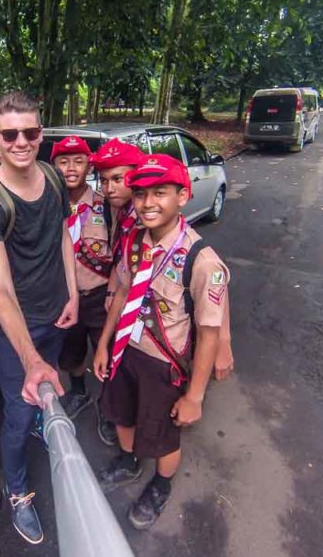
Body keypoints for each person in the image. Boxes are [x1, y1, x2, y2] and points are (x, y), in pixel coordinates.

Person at [93, 154, 231, 530]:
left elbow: (209, 333)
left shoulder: (202, 261)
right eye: (140, 194)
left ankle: (161, 484)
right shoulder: (134, 240)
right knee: (121, 413)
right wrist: (105, 344)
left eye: (160, 193)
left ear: (183, 196)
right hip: (125, 350)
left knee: (163, 432)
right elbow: (121, 292)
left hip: (163, 363)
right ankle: (128, 459)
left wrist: (195, 396)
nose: (148, 203)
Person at [0, 90, 78, 545]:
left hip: (55, 315)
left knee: (44, 394)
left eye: (30, 132)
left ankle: (42, 420)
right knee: (17, 412)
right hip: (20, 332)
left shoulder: (52, 176)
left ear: (40, 132)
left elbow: (62, 239)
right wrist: (29, 356)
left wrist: (71, 293)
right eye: (10, 134)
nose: (21, 142)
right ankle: (19, 492)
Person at [51, 135, 112, 424]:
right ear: (53, 166)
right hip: (64, 298)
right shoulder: (48, 208)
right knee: (71, 354)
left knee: (109, 355)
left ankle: (112, 411)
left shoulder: (107, 207)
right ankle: (79, 391)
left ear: (90, 166)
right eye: (63, 161)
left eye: (78, 161)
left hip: (100, 298)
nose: (71, 168)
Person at [87, 138, 144, 446]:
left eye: (118, 179)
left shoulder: (148, 218)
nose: (109, 188)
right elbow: (121, 263)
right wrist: (111, 293)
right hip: (121, 304)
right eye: (104, 180)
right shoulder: (121, 213)